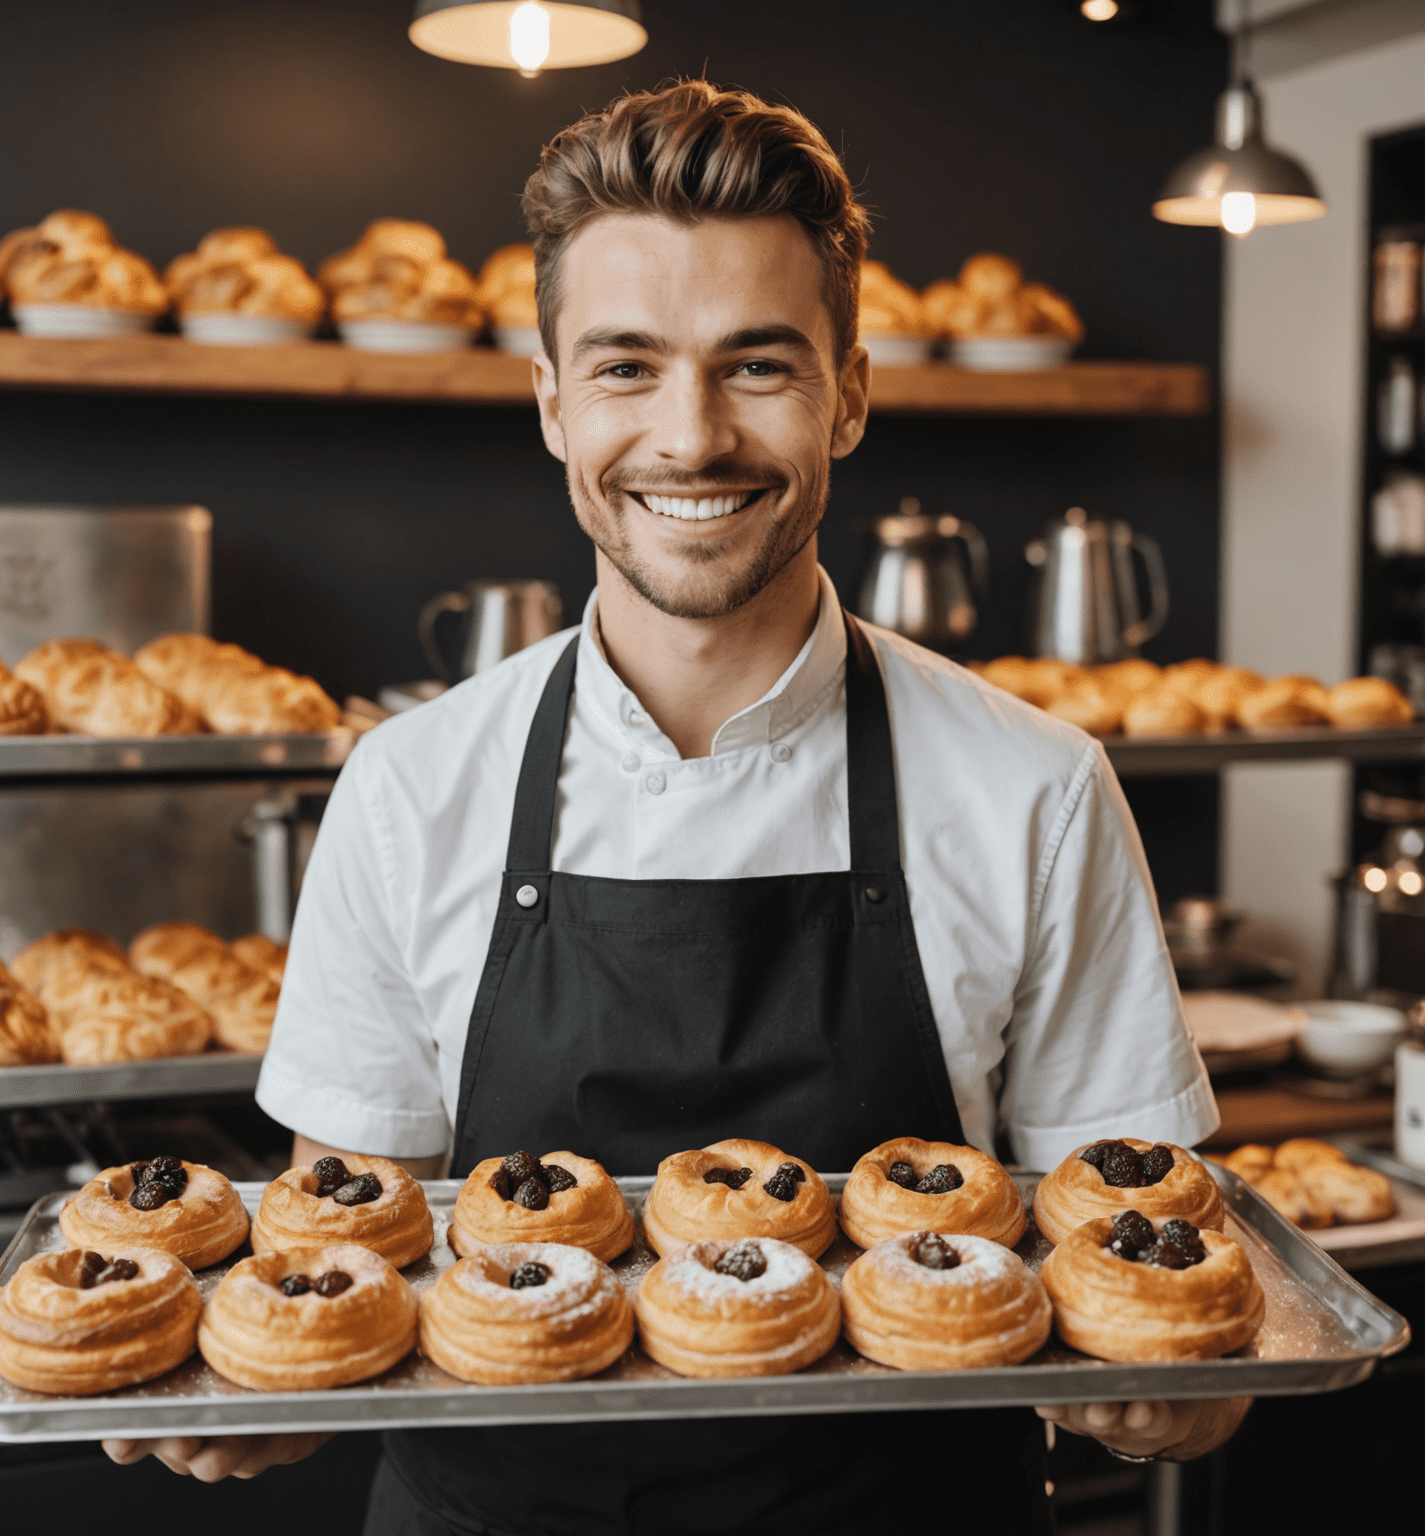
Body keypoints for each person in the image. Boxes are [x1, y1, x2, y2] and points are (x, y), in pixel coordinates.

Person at [105, 80, 1247, 1532]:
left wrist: (1179, 1388)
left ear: (852, 393)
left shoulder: (1033, 786)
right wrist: (259, 1399)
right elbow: (345, 1253)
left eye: (759, 365)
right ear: (551, 403)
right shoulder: (411, 787)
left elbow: (1128, 1239)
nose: (691, 437)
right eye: (627, 367)